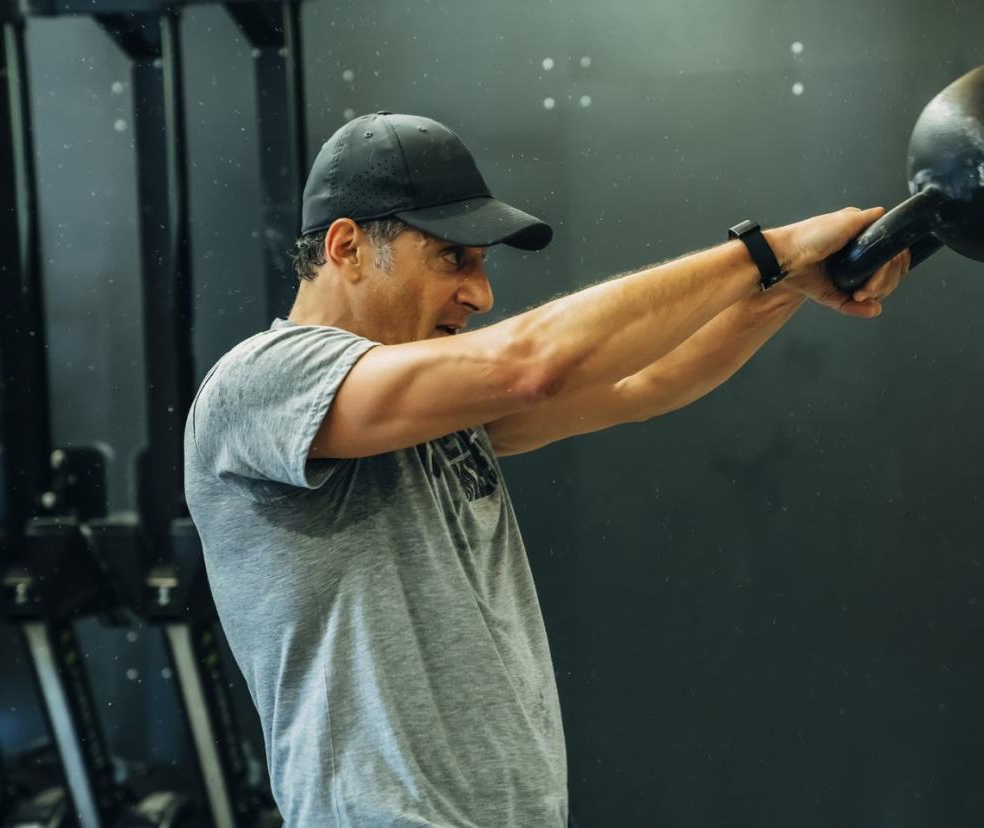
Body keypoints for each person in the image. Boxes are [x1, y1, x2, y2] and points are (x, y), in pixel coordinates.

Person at [182, 111, 909, 827]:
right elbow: (533, 364)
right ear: (345, 247)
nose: (480, 291)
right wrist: (768, 251)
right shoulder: (262, 383)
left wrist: (787, 288)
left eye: (481, 262)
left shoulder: (434, 409)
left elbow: (647, 383)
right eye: (451, 258)